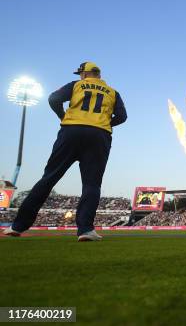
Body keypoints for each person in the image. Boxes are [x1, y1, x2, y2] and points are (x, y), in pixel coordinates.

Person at [3, 62, 127, 242]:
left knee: (49, 178)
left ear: (85, 74)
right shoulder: (113, 92)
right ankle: (85, 229)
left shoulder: (76, 85)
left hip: (71, 131)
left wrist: (63, 116)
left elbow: (53, 99)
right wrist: (105, 123)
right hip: (99, 135)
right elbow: (122, 117)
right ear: (98, 75)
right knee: (92, 184)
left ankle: (17, 226)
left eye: (80, 74)